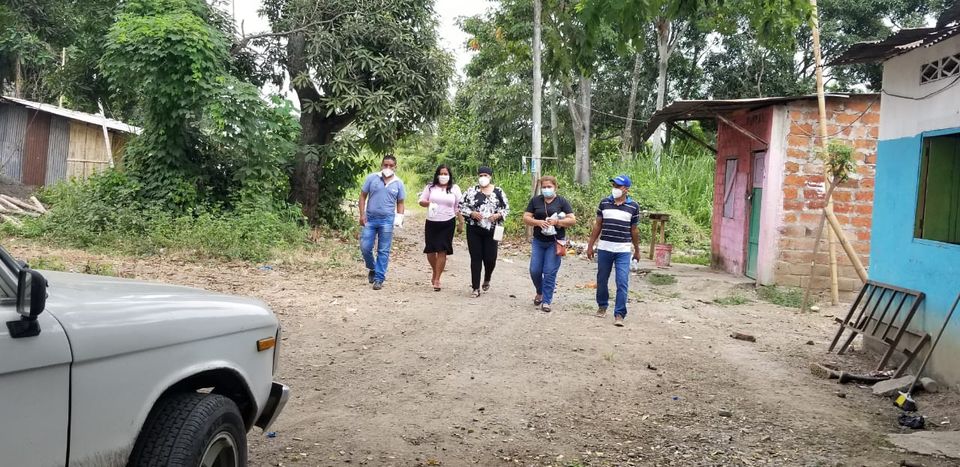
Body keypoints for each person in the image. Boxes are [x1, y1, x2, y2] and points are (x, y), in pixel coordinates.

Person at [586, 175, 642, 327]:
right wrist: (590, 245)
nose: (615, 188)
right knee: (602, 279)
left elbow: (634, 230)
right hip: (605, 248)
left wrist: (637, 250)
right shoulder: (604, 203)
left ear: (626, 189)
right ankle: (602, 305)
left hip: (623, 250)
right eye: (614, 185)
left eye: (618, 186)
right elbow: (598, 225)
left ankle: (619, 313)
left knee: (622, 282)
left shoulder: (633, 206)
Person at [522, 176, 576, 313]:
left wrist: (558, 222)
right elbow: (526, 217)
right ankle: (539, 291)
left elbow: (572, 220)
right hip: (539, 241)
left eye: (549, 187)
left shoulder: (562, 201)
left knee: (549, 271)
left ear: (555, 187)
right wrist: (538, 222)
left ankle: (546, 301)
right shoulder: (535, 201)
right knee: (534, 270)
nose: (546, 189)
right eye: (544, 187)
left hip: (555, 241)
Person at [460, 166, 509, 298]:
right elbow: (461, 206)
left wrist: (498, 215)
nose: (483, 178)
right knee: (475, 258)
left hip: (492, 229)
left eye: (485, 175)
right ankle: (475, 287)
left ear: (490, 177)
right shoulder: (471, 191)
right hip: (474, 228)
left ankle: (487, 277)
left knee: (490, 258)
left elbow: (506, 208)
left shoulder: (498, 191)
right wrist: (472, 213)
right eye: (481, 175)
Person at [359, 154, 406, 290]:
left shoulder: (398, 183)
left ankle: (379, 278)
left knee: (383, 250)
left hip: (387, 220)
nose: (388, 167)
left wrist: (399, 218)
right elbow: (362, 196)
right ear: (381, 165)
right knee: (365, 247)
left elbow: (400, 202)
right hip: (370, 218)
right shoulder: (372, 178)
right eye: (385, 165)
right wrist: (362, 214)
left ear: (395, 167)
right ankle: (372, 267)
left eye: (391, 165)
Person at [419, 165, 463, 291]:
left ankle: (437, 279)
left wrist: (461, 221)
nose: (443, 176)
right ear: (437, 175)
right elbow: (421, 201)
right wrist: (428, 203)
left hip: (448, 221)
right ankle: (435, 270)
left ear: (449, 175)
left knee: (442, 250)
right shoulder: (430, 187)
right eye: (441, 174)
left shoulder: (454, 189)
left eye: (446, 174)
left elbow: (459, 206)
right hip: (432, 221)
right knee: (430, 251)